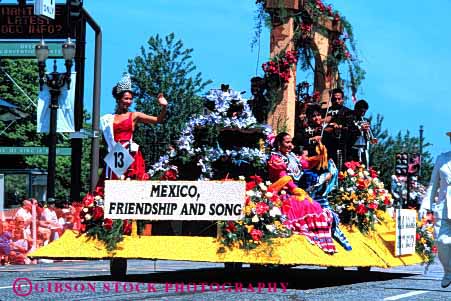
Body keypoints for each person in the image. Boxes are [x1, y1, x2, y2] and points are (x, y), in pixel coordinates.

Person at [268, 132, 336, 253]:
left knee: (315, 206)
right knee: (306, 205)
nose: (290, 145)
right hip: (283, 193)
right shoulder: (276, 158)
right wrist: (295, 190)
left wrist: (320, 153)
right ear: (279, 144)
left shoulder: (292, 156)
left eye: (291, 142)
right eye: (287, 142)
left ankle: (319, 241)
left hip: (296, 192)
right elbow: (283, 177)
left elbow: (307, 163)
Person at [100, 73, 167, 180]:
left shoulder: (134, 116)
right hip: (116, 154)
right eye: (126, 98)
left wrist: (164, 107)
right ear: (118, 99)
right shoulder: (108, 119)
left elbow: (158, 120)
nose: (129, 102)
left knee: (132, 181)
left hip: (130, 153)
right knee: (112, 183)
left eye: (130, 99)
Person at [420, 132, 451, 288]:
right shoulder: (442, 159)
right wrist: (426, 205)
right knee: (441, 241)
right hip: (444, 207)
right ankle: (448, 270)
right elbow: (433, 184)